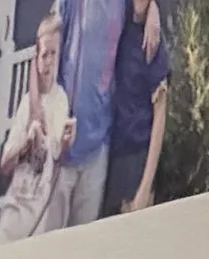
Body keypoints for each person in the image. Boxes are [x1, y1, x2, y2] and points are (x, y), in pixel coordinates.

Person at [47, 0, 128, 228]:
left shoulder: (124, 5)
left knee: (85, 238)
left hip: (97, 148)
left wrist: (153, 13)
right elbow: (45, 52)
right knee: (51, 240)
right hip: (62, 150)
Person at [0, 9, 71, 240]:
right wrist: (24, 143)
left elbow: (55, 151)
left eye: (54, 54)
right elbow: (5, 164)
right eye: (44, 55)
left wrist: (60, 141)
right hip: (15, 205)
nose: (48, 62)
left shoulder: (60, 100)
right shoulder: (26, 103)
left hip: (38, 211)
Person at [106, 0, 172, 213]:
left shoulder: (152, 41)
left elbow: (160, 116)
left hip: (135, 158)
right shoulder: (116, 22)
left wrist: (144, 188)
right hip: (105, 155)